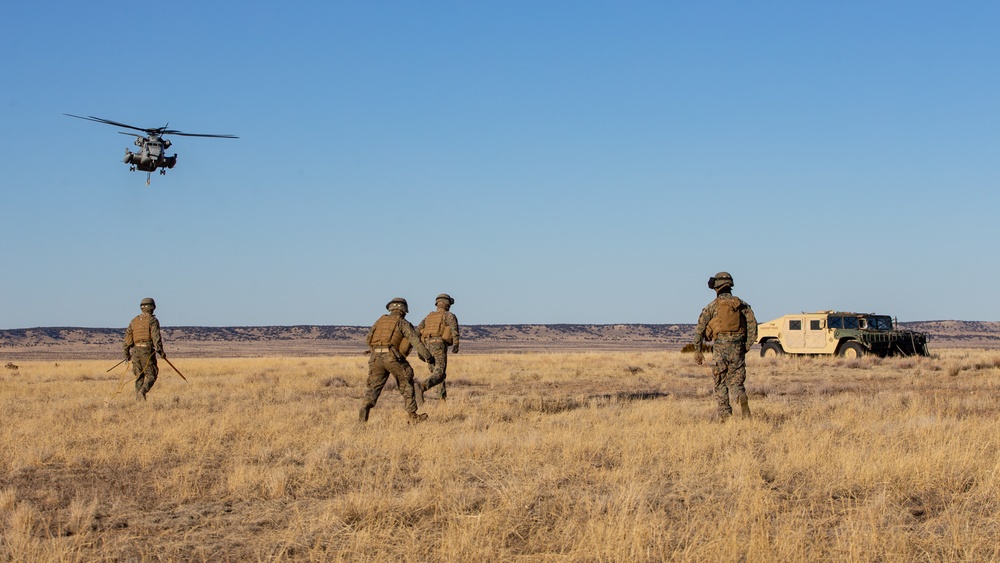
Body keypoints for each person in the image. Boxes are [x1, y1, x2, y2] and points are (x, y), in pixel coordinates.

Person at [692, 272, 758, 420]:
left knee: (720, 382)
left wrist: (698, 351)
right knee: (736, 382)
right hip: (737, 348)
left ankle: (725, 416)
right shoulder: (741, 305)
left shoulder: (712, 307)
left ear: (716, 287)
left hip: (720, 348)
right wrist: (745, 346)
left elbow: (699, 330)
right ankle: (740, 396)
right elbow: (753, 326)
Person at [360, 298, 435, 423]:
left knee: (373, 388)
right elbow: (415, 341)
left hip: (375, 357)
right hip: (392, 358)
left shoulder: (380, 321)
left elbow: (368, 339)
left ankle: (363, 412)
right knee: (406, 383)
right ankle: (413, 416)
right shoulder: (402, 323)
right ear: (404, 310)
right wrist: (428, 357)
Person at [414, 293, 461, 404]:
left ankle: (442, 399)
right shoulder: (449, 315)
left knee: (436, 373)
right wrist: (456, 344)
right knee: (439, 374)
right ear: (447, 304)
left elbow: (416, 332)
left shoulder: (429, 317)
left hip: (427, 346)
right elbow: (454, 331)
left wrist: (420, 350)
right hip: (439, 345)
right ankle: (422, 387)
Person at [123, 297, 166, 401]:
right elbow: (156, 338)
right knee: (152, 375)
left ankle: (139, 400)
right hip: (147, 351)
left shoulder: (134, 321)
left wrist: (127, 355)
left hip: (135, 352)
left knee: (139, 376)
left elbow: (126, 340)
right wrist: (161, 352)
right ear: (152, 307)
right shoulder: (152, 320)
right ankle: (142, 393)